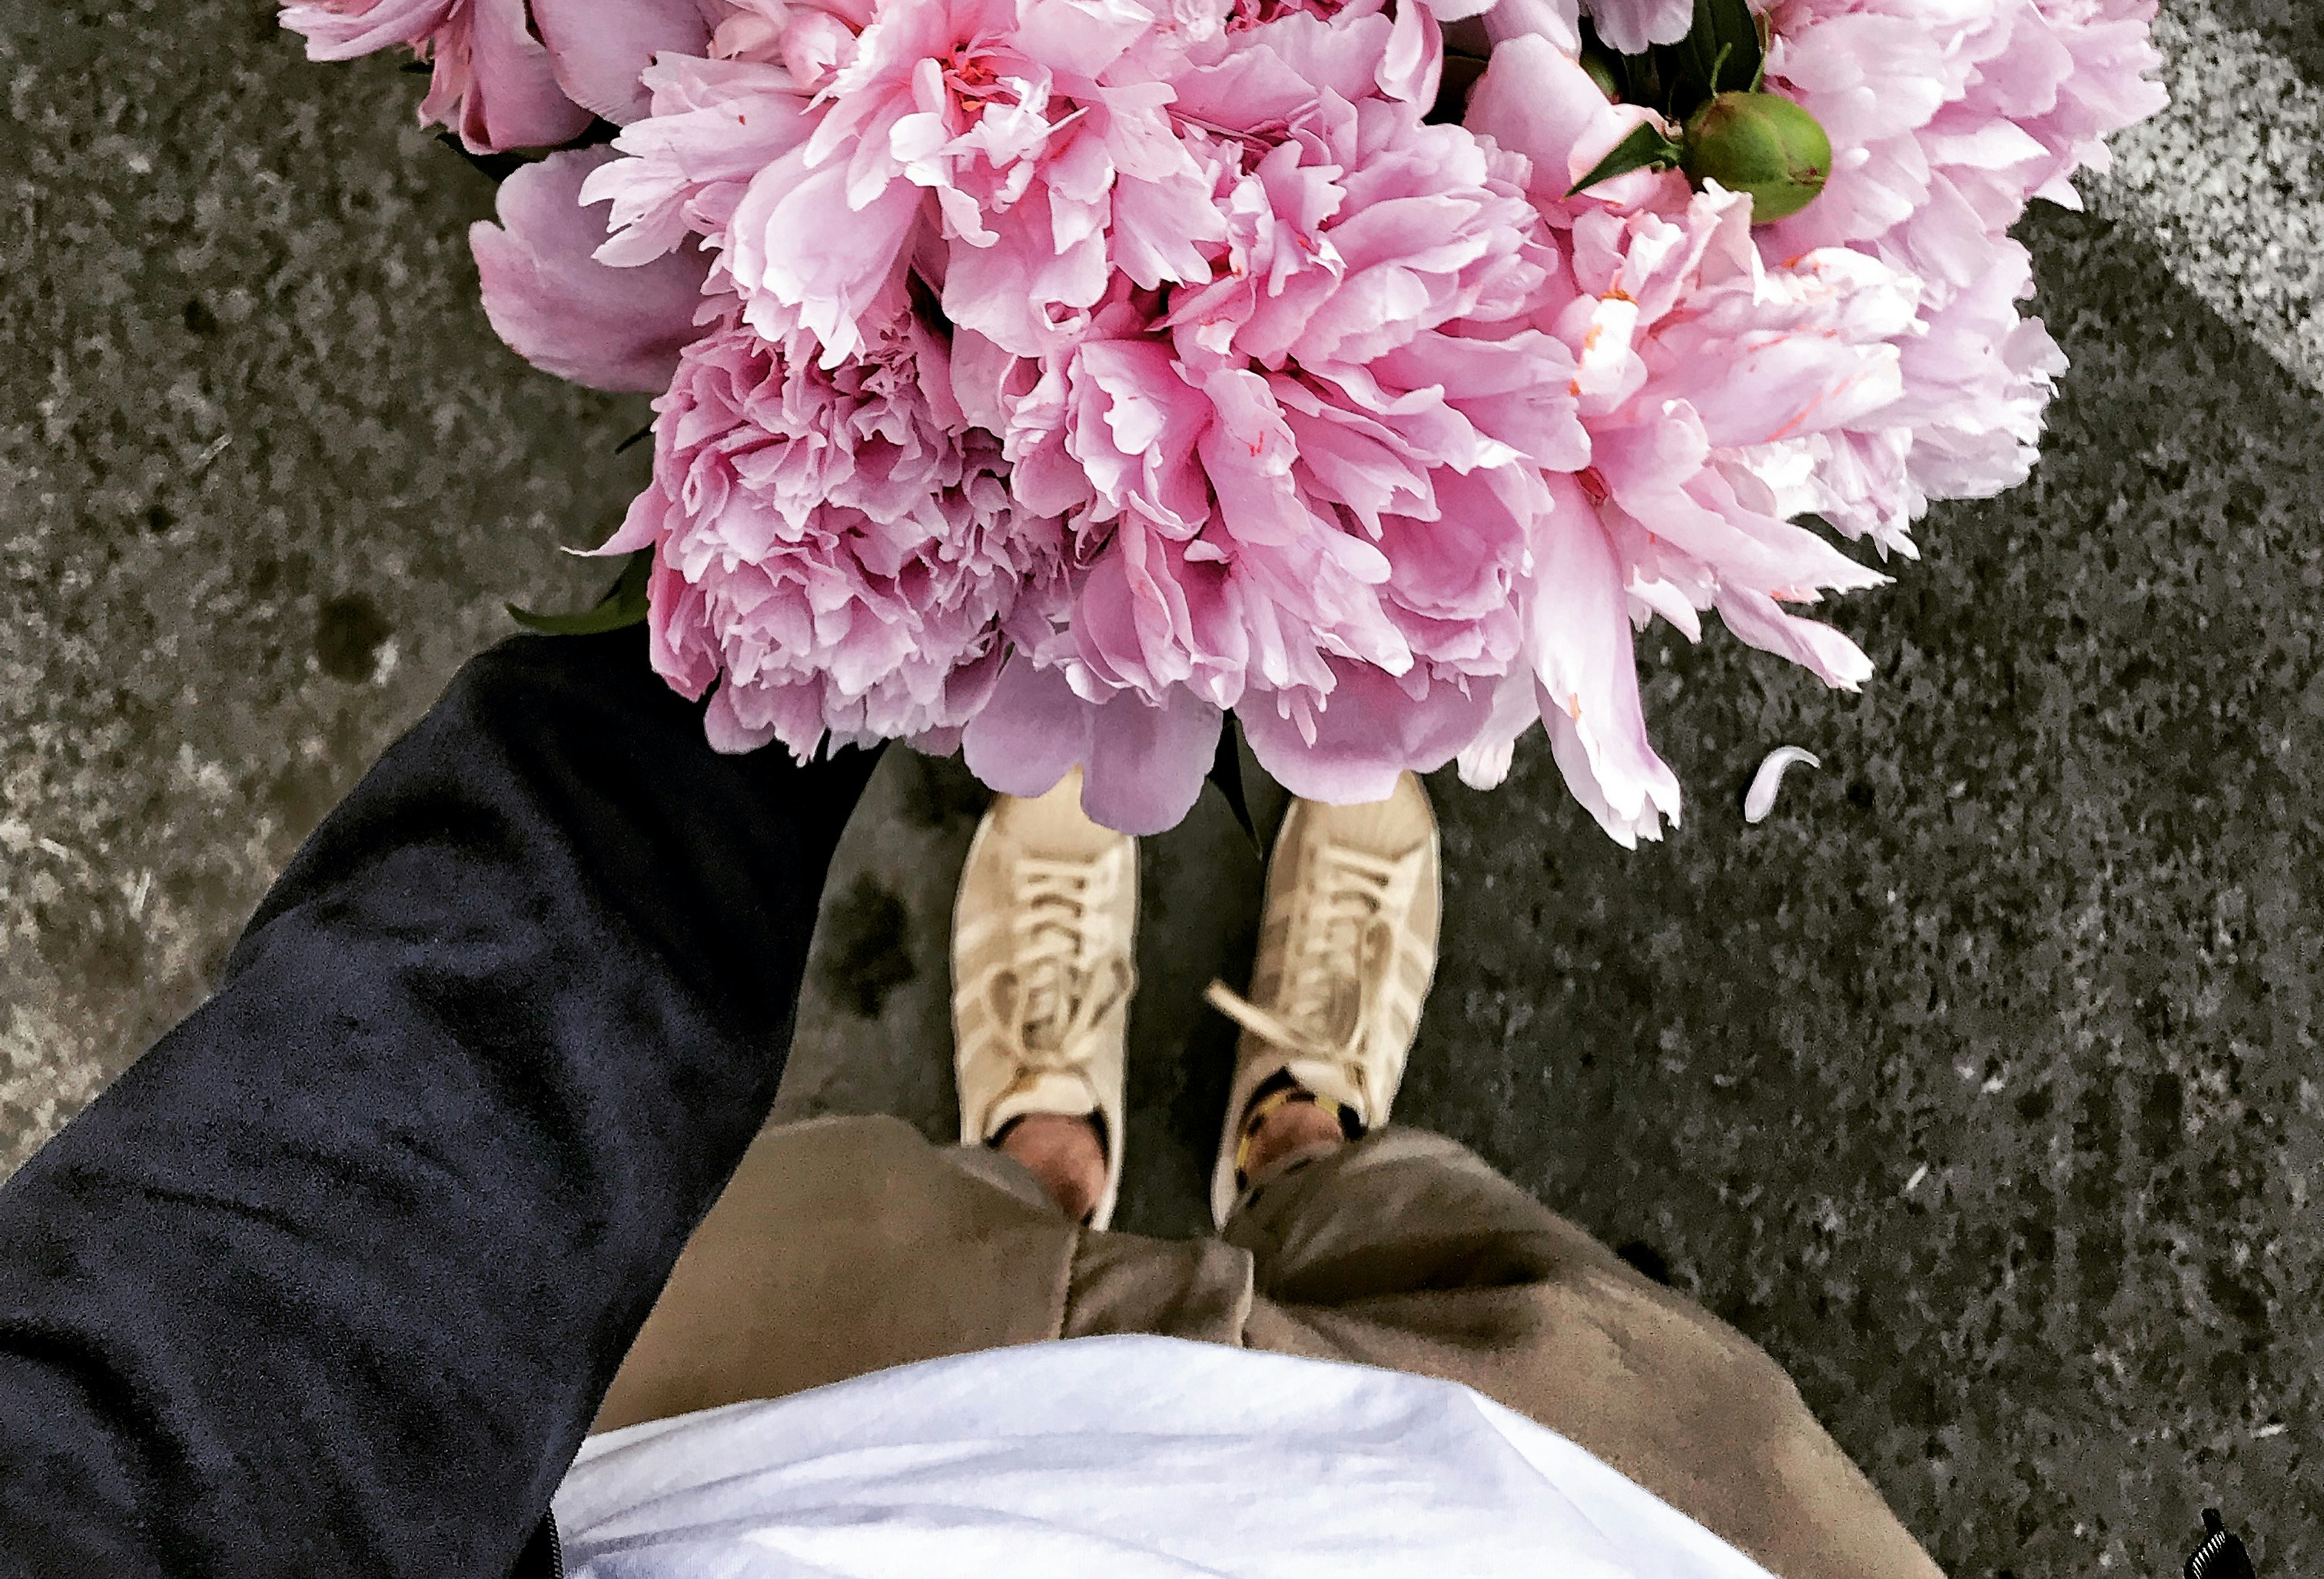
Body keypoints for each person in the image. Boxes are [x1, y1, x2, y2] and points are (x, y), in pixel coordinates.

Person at [0, 627, 1944, 1577]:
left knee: (911, 1227)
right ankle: (1298, 1135)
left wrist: (808, 577)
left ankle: (1045, 1155)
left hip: (824, 1437)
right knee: (1490, 1281)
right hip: (1587, 1529)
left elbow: (278, 1339)